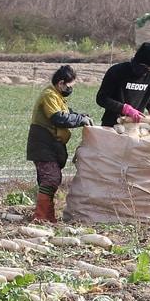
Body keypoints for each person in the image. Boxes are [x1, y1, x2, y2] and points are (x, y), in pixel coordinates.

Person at [27, 65, 92, 223]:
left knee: (51, 180)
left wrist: (80, 116)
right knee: (50, 179)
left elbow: (67, 113)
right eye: (69, 86)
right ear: (61, 83)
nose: (70, 89)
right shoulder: (49, 95)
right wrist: (80, 120)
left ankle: (48, 217)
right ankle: (41, 216)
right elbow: (59, 118)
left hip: (51, 146)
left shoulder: (58, 98)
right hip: (43, 143)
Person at [96, 42, 150, 128]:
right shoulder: (117, 71)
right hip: (113, 124)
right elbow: (101, 98)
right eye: (143, 67)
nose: (145, 72)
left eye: (149, 69)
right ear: (135, 62)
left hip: (135, 125)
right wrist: (125, 109)